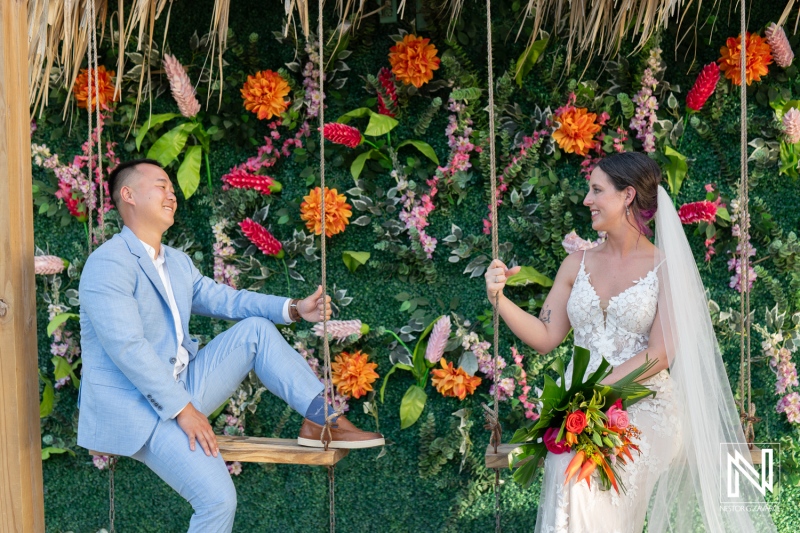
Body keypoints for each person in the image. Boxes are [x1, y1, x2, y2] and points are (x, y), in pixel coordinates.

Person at [77, 159, 384, 533]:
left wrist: (293, 309)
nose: (172, 193)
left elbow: (228, 301)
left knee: (255, 329)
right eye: (161, 185)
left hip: (182, 389)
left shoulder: (177, 262)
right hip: (141, 407)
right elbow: (127, 348)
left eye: (172, 186)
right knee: (217, 500)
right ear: (128, 195)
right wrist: (184, 409)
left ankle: (322, 419)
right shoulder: (107, 262)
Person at [484, 152, 776, 532]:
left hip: (644, 408)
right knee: (563, 464)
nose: (587, 200)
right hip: (581, 410)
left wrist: (593, 393)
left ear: (627, 196)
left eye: (596, 190)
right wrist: (499, 300)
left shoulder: (665, 268)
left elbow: (659, 355)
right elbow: (545, 337)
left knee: (590, 475)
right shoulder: (576, 264)